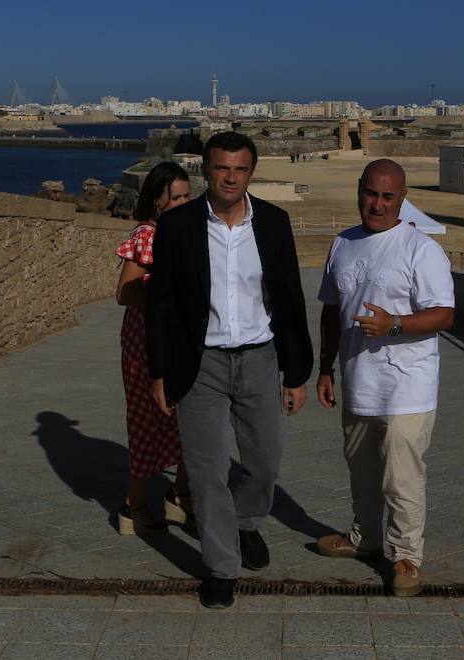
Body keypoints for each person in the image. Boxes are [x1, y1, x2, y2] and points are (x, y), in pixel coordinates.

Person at [146, 131, 313, 608]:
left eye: (240, 170)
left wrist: (295, 372)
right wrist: (160, 371)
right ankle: (221, 566)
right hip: (201, 363)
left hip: (260, 358)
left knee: (265, 462)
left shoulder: (275, 223)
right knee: (206, 470)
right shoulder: (178, 226)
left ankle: (244, 523)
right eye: (222, 168)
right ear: (205, 171)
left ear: (251, 173)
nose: (230, 178)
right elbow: (160, 305)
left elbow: (289, 297)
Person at [314, 159, 455, 597]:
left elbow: (444, 315)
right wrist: (325, 368)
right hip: (359, 381)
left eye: (388, 196)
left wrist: (394, 324)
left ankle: (407, 556)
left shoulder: (421, 248)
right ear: (359, 191)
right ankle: (366, 539)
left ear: (402, 199)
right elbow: (330, 310)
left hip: (407, 386)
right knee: (361, 469)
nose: (377, 204)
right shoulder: (342, 244)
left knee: (402, 475)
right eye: (371, 193)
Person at [115, 161, 195, 535]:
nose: (181, 203)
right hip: (146, 344)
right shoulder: (149, 235)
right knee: (147, 424)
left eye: (185, 196)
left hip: (179, 341)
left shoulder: (189, 231)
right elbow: (125, 292)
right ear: (156, 201)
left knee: (190, 422)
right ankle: (134, 508)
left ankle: (180, 496)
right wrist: (166, 297)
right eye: (173, 198)